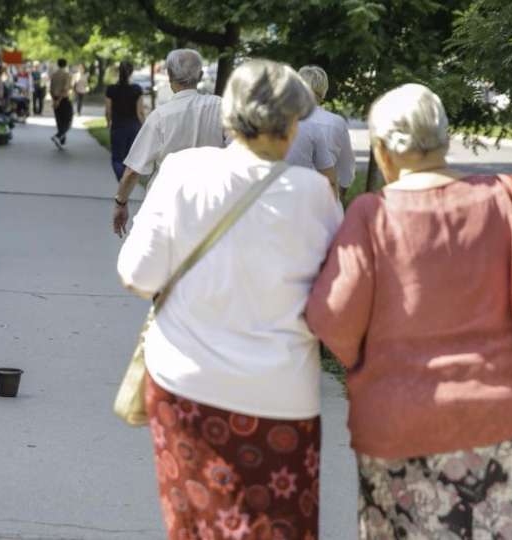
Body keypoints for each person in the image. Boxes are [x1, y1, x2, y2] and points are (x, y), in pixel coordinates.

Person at [117, 59, 343, 540]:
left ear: (230, 116)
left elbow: (137, 275)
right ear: (292, 122)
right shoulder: (316, 195)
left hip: (187, 390)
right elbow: (335, 301)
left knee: (196, 525)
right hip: (282, 395)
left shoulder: (182, 171)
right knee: (279, 524)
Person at [305, 83, 512, 537]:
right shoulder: (505, 197)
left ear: (382, 151)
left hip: (403, 423)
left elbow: (332, 320)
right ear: (445, 139)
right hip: (511, 416)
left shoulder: (373, 215)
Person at [112, 49, 227, 237]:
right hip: (211, 206)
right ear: (200, 75)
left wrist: (120, 203)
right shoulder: (221, 107)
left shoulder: (160, 117)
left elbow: (133, 171)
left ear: (169, 75)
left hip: (166, 208)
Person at [285, 65, 355, 200]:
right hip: (326, 196)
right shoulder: (336, 123)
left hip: (289, 198)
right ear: (323, 91)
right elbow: (347, 171)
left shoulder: (282, 121)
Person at [105, 60, 145, 182]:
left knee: (117, 159)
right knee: (130, 159)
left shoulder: (111, 89)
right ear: (131, 72)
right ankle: (126, 182)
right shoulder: (137, 89)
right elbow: (140, 112)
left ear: (119, 72)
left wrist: (108, 123)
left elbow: (108, 111)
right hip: (134, 127)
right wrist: (145, 127)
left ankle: (122, 180)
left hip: (118, 127)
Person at [49, 58, 73, 149]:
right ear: (66, 64)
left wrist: (54, 100)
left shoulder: (54, 75)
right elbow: (65, 88)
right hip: (63, 99)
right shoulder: (67, 75)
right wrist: (59, 100)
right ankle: (58, 136)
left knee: (59, 120)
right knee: (68, 120)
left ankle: (62, 141)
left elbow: (51, 89)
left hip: (55, 98)